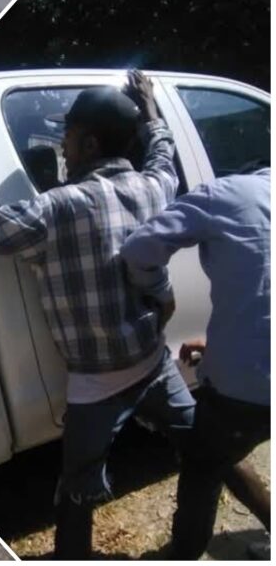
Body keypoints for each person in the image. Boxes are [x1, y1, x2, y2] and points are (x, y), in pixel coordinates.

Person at [0, 70, 193, 560]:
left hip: (95, 385)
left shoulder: (60, 208)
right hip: (153, 364)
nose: (62, 146)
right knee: (202, 440)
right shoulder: (154, 188)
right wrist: (151, 115)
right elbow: (164, 158)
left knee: (77, 487)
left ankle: (71, 555)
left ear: (90, 141)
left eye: (68, 136)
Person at [121, 164, 271, 560]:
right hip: (254, 375)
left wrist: (160, 294)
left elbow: (139, 248)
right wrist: (221, 340)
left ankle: (185, 555)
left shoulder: (223, 194)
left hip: (249, 384)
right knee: (223, 449)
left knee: (203, 465)